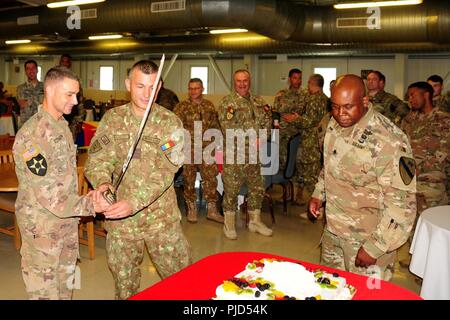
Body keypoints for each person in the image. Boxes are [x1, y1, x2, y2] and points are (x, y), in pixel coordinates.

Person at [84, 60, 191, 300]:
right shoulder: (113, 119)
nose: (146, 94)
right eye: (140, 86)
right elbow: (98, 160)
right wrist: (103, 184)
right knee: (125, 288)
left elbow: (166, 171)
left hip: (160, 221)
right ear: (128, 85)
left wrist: (134, 201)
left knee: (183, 284)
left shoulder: (170, 123)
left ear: (160, 86)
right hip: (121, 222)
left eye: (152, 87)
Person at [12, 66, 108, 299]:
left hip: (65, 226)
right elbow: (50, 197)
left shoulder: (61, 126)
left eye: (77, 94)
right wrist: (91, 206)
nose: (75, 101)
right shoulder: (33, 135)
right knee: (46, 294)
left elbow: (64, 184)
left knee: (65, 291)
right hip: (43, 233)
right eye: (69, 95)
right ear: (50, 91)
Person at [309, 74, 416, 281]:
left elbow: (403, 207)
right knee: (330, 288)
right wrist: (318, 193)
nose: (341, 114)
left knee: (367, 294)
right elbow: (330, 163)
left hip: (367, 239)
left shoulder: (390, 140)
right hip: (333, 231)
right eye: (335, 106)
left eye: (348, 106)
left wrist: (375, 247)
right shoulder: (334, 123)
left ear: (365, 101)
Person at [399, 81, 450, 268]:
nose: (409, 99)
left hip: (432, 180)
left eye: (413, 95)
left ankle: (432, 267)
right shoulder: (409, 119)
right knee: (413, 220)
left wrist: (420, 165)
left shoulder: (443, 119)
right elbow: (400, 145)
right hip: (409, 178)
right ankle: (416, 258)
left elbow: (445, 151)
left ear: (426, 95)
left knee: (430, 224)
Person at [217, 69, 273, 240]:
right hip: (235, 156)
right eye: (239, 81)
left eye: (245, 80)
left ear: (250, 81)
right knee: (231, 190)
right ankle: (229, 223)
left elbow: (267, 122)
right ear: (234, 83)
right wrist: (252, 140)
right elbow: (228, 128)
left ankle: (254, 221)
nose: (242, 84)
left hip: (255, 156)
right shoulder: (228, 103)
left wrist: (263, 138)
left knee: (257, 188)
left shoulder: (258, 101)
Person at [173, 78, 223, 224]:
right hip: (189, 148)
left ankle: (212, 210)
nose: (193, 91)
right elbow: (176, 127)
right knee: (189, 178)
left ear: (202, 89)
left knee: (211, 178)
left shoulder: (209, 105)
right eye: (190, 88)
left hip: (207, 148)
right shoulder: (181, 107)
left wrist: (216, 143)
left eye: (196, 88)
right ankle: (191, 207)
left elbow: (215, 125)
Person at [294, 74, 328, 216]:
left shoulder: (314, 99)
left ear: (311, 83)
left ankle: (316, 210)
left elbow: (310, 121)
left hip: (311, 142)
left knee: (311, 176)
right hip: (319, 141)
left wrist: (296, 119)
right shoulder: (325, 98)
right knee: (315, 173)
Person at [272, 68, 308, 203]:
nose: (297, 81)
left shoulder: (306, 95)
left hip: (298, 134)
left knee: (298, 163)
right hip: (283, 136)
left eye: (299, 78)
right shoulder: (281, 94)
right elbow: (275, 111)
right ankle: (286, 194)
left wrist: (296, 117)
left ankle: (299, 194)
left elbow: (306, 114)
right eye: (294, 78)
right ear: (289, 79)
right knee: (284, 163)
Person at [59, 54, 86, 142]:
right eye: (63, 61)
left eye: (67, 62)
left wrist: (80, 120)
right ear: (60, 62)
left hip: (72, 120)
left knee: (71, 144)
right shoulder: (55, 78)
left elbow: (80, 100)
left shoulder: (75, 79)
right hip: (57, 118)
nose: (64, 64)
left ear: (69, 64)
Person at [16, 59, 44, 128]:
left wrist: (29, 100)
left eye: (33, 68)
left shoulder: (45, 86)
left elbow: (48, 104)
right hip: (26, 125)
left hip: (42, 124)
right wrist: (40, 99)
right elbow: (23, 104)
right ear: (25, 72)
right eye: (28, 69)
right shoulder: (20, 88)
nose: (31, 71)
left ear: (37, 70)